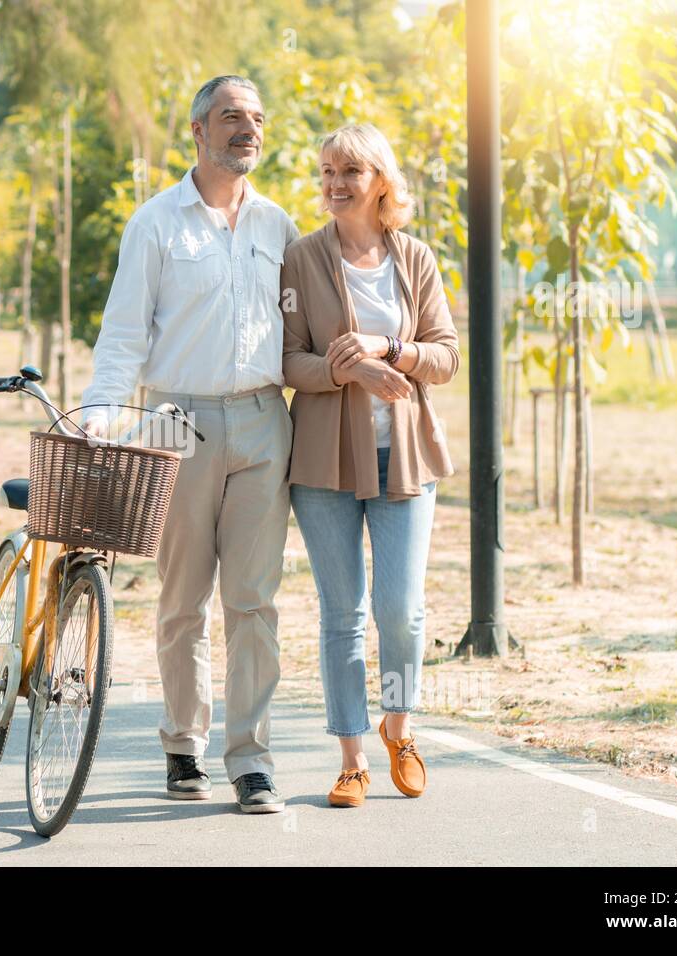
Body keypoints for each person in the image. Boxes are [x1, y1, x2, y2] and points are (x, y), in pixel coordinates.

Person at [80, 75, 300, 813]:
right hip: (178, 422)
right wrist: (102, 413)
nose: (249, 129)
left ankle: (252, 759)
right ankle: (183, 745)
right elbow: (123, 332)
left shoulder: (278, 226)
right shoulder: (156, 224)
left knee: (254, 601)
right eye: (233, 116)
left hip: (265, 422)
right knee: (183, 599)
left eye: (258, 118)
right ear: (198, 132)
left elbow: (304, 326)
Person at [279, 122, 460, 808]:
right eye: (326, 171)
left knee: (401, 611)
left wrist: (390, 350)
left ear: (380, 180)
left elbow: (443, 354)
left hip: (406, 459)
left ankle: (398, 726)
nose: (333, 185)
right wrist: (345, 368)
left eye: (348, 172)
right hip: (324, 460)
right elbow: (286, 360)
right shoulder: (300, 259)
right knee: (342, 613)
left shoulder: (414, 258)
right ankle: (352, 757)